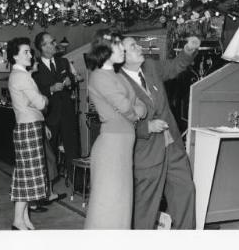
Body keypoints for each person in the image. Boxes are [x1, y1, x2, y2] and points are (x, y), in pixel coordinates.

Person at [120, 35, 200, 229]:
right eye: (133, 46)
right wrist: (146, 127)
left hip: (171, 144)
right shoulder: (117, 83)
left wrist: (188, 50)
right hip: (146, 151)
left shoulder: (150, 67)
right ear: (121, 55)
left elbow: (175, 66)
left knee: (185, 191)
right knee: (146, 206)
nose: (139, 47)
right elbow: (118, 123)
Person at [84, 29, 147, 229]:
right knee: (107, 207)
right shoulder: (99, 76)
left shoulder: (118, 75)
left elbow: (140, 103)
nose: (122, 50)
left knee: (121, 206)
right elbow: (129, 108)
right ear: (105, 48)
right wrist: (135, 110)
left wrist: (135, 109)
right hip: (111, 147)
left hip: (123, 146)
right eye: (118, 45)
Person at [7, 37, 49, 231]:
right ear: (15, 56)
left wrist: (36, 101)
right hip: (29, 126)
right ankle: (18, 220)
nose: (30, 55)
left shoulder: (19, 75)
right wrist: (44, 99)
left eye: (30, 52)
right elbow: (41, 103)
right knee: (29, 175)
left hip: (26, 125)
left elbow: (34, 103)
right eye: (25, 52)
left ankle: (22, 218)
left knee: (25, 174)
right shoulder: (22, 77)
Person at [33, 32, 80, 181]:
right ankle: (47, 186)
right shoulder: (35, 67)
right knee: (49, 152)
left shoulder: (64, 62)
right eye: (51, 42)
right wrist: (51, 89)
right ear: (42, 46)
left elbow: (73, 79)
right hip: (49, 115)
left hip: (67, 113)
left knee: (73, 148)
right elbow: (34, 91)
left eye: (54, 41)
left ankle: (77, 182)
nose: (55, 44)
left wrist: (69, 81)